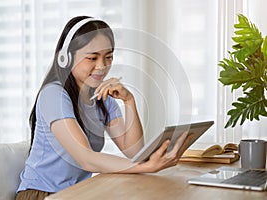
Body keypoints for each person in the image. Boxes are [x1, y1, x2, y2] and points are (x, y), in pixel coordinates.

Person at [16, 16, 190, 200]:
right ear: (65, 57)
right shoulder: (53, 95)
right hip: (42, 194)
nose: (102, 66)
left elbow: (134, 151)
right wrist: (146, 167)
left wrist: (129, 101)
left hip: (78, 193)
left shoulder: (102, 97)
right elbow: (86, 158)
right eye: (92, 58)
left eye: (108, 57)